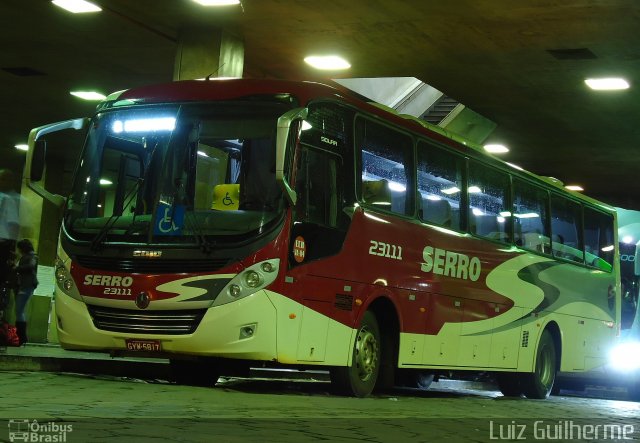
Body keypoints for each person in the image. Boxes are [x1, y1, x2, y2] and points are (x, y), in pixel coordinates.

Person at [14, 239, 38, 345]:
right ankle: (21, 338)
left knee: (19, 311)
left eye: (19, 248)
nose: (18, 250)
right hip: (23, 286)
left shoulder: (32, 256)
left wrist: (17, 268)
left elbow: (31, 266)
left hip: (26, 286)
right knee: (19, 311)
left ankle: (21, 338)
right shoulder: (25, 256)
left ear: (23, 248)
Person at [0, 169, 20, 290]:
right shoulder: (7, 199)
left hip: (3, 244)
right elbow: (14, 224)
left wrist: (13, 247)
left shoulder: (7, 200)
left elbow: (13, 224)